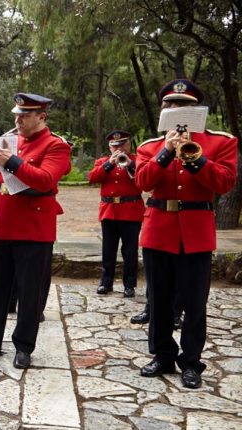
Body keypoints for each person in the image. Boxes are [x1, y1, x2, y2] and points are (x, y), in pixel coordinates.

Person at [136, 79, 237, 389]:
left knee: (195, 303)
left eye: (183, 106)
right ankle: (163, 355)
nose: (175, 109)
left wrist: (196, 159)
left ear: (197, 111)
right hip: (158, 230)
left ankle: (191, 362)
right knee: (160, 299)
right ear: (163, 110)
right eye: (170, 105)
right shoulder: (149, 147)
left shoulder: (221, 143)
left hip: (196, 233)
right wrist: (166, 152)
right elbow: (143, 181)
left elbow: (224, 183)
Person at [0, 93, 71, 369]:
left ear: (41, 117)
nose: (18, 120)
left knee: (29, 293)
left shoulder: (56, 146)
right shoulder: (9, 140)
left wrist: (10, 159)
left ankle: (23, 347)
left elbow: (46, 179)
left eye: (24, 115)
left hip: (32, 228)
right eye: (16, 115)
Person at [87, 131, 144, 298]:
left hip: (131, 210)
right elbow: (92, 178)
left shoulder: (136, 160)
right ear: (109, 147)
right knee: (108, 250)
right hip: (109, 211)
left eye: (122, 144)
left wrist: (130, 165)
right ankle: (106, 282)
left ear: (128, 144)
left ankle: (129, 285)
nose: (118, 148)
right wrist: (109, 164)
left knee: (130, 251)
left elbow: (143, 180)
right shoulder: (103, 161)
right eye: (114, 145)